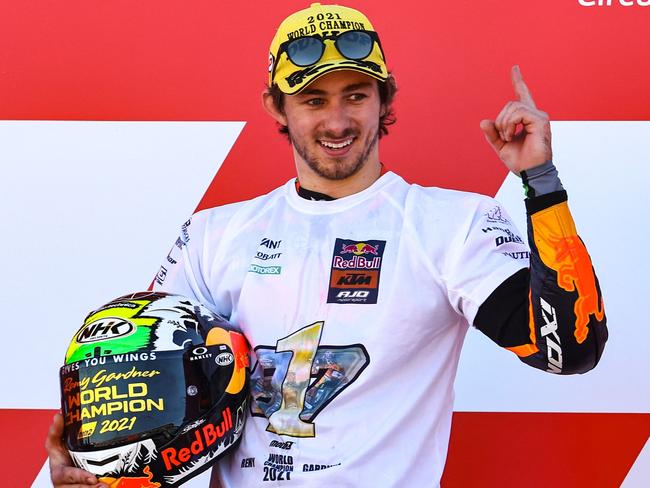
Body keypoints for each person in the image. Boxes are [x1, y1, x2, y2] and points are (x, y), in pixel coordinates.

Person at [46, 3, 607, 487]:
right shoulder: (213, 235)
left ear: (385, 101)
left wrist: (541, 182)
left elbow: (571, 349)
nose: (337, 121)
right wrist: (100, 469)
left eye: (356, 95)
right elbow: (151, 403)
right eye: (313, 100)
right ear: (276, 107)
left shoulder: (449, 224)